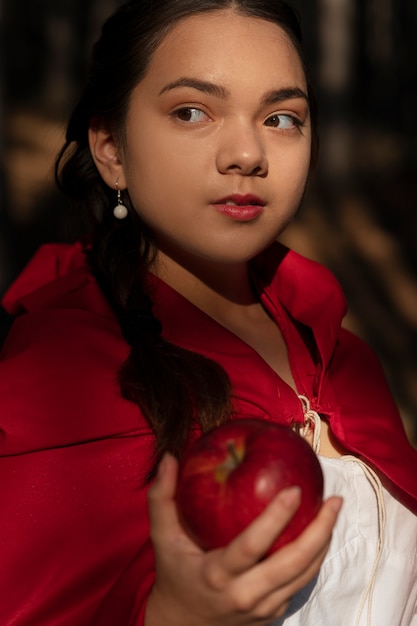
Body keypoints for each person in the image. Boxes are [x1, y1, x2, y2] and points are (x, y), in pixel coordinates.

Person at [0, 1, 416, 624]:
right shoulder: (58, 374)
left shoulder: (339, 353)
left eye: (282, 118)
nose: (247, 153)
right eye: (192, 112)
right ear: (111, 148)